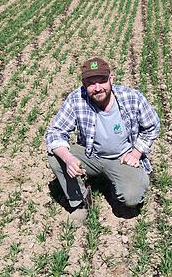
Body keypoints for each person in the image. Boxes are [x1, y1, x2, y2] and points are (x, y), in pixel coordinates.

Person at [45, 57, 160, 225]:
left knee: (131, 197)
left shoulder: (131, 98)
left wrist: (136, 153)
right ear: (84, 83)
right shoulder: (76, 99)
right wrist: (69, 159)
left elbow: (152, 126)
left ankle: (112, 180)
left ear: (111, 79)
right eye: (91, 83)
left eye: (102, 81)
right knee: (56, 155)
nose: (97, 88)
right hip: (91, 154)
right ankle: (81, 201)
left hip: (122, 158)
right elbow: (55, 132)